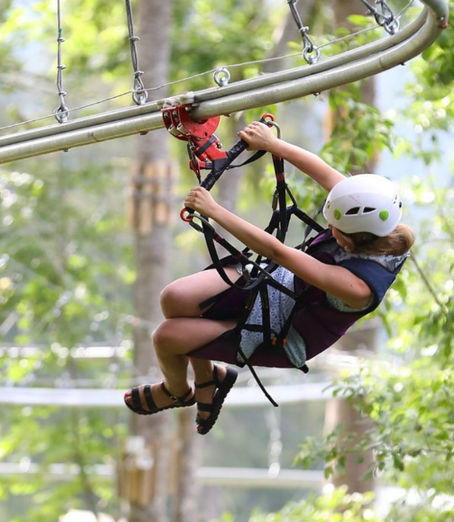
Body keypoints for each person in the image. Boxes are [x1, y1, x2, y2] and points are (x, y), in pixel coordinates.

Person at [124, 120, 415, 434]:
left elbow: (280, 253)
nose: (328, 228)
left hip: (285, 333)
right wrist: (272, 144)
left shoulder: (357, 287)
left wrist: (215, 210)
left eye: (335, 229)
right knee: (174, 298)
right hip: (280, 284)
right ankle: (209, 379)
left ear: (355, 240)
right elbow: (323, 172)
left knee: (166, 338)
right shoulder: (374, 214)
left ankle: (178, 391)